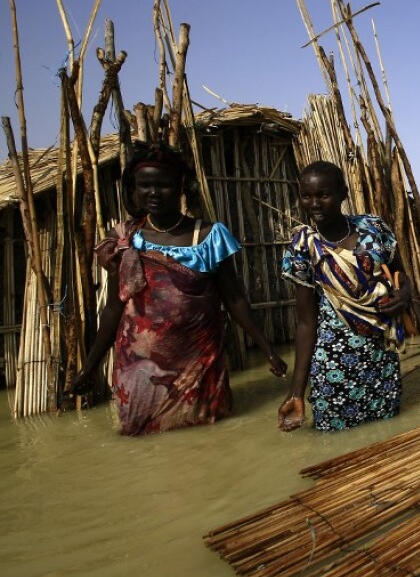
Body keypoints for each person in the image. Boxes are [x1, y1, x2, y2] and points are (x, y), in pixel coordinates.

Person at [67, 142, 287, 435]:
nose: (153, 193)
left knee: (210, 434)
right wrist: (90, 365)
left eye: (163, 185)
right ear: (134, 189)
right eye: (144, 186)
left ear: (180, 185)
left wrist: (267, 348)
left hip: (198, 364)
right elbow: (113, 306)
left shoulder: (209, 236)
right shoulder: (124, 240)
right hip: (139, 368)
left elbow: (234, 299)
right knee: (141, 444)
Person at [276, 161, 413, 432]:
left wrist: (405, 295)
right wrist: (296, 393)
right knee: (334, 443)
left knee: (388, 435)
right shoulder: (303, 248)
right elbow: (305, 323)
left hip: (380, 359)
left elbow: (401, 275)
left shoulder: (373, 228)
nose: (314, 203)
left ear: (343, 194)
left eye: (323, 195)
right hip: (333, 367)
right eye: (307, 196)